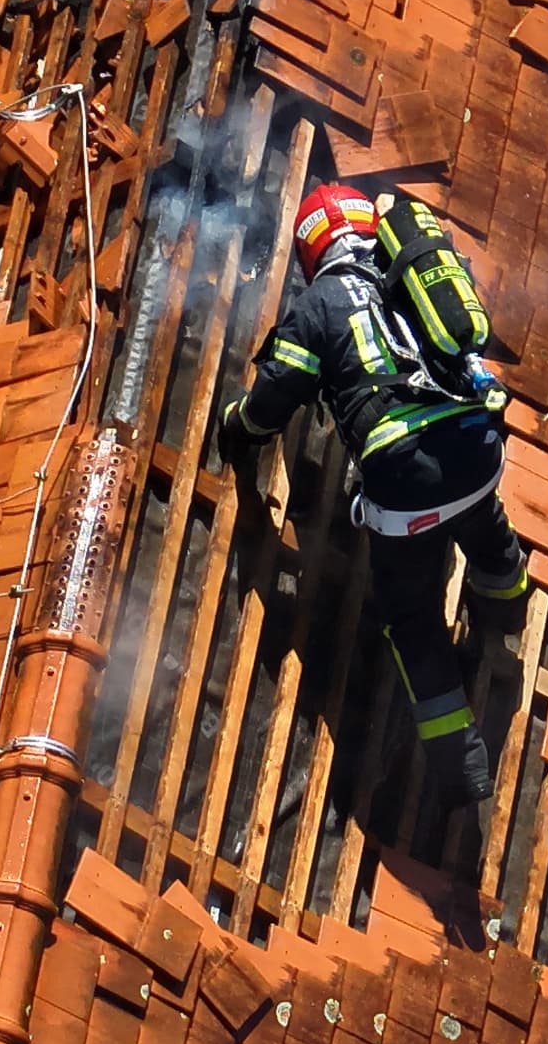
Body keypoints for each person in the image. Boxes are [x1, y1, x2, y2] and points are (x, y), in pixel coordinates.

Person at [214, 182, 528, 832]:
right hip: (479, 448)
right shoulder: (409, 274)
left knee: (412, 619)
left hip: (407, 481)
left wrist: (238, 427)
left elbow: (274, 399)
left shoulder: (318, 304)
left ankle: (462, 768)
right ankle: (506, 610)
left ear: (311, 253)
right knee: (485, 526)